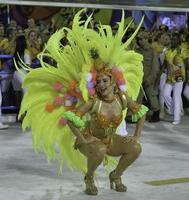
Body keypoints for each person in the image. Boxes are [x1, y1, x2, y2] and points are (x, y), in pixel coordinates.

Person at [19, 10, 147, 196]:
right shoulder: (94, 103)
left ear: (113, 81)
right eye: (98, 81)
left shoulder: (122, 99)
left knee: (135, 148)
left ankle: (116, 175)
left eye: (105, 81)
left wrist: (136, 136)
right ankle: (89, 177)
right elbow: (70, 118)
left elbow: (142, 112)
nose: (101, 85)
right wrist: (80, 138)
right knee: (100, 149)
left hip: (110, 140)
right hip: (91, 141)